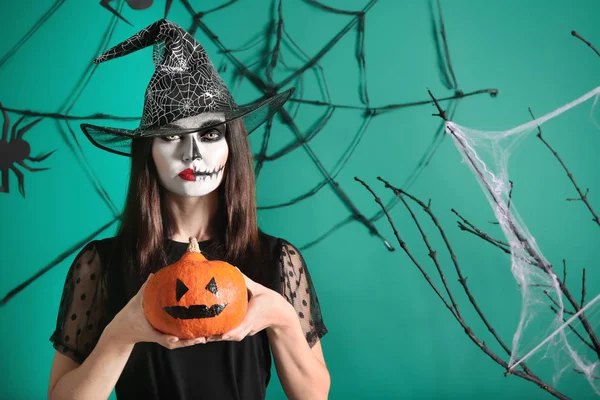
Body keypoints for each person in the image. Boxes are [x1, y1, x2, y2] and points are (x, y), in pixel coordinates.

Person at [47, 19, 329, 400]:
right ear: (149, 153)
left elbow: (313, 396)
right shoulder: (102, 263)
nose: (193, 153)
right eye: (171, 135)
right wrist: (121, 333)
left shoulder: (277, 260)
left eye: (210, 133)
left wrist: (280, 317)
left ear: (232, 147)